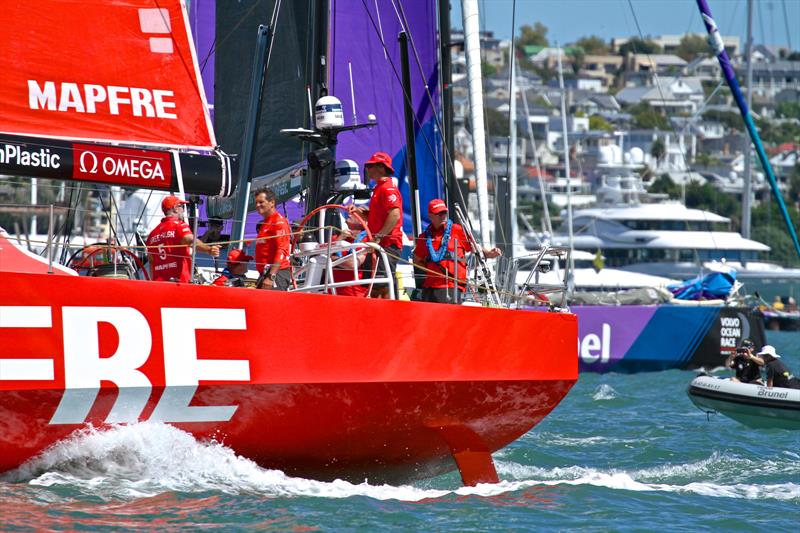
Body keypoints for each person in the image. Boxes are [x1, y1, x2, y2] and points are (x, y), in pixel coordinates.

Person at [412, 198, 502, 304]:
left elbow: (473, 246)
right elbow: (417, 260)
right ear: (430, 216)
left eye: (444, 212)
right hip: (430, 286)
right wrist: (431, 270)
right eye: (439, 213)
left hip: (450, 286)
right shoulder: (424, 237)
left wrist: (489, 253)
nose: (443, 215)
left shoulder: (457, 230)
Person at [352, 151, 403, 299]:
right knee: (375, 283)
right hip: (378, 244)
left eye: (370, 165)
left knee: (381, 284)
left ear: (381, 167)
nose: (367, 168)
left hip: (387, 244)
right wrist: (360, 213)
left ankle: (388, 315)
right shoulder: (379, 188)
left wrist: (379, 237)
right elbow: (379, 216)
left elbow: (395, 214)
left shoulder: (387, 188)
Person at [146, 195, 220, 282]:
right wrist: (208, 250)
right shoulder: (178, 226)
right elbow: (191, 241)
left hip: (159, 284)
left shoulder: (152, 234)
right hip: (179, 283)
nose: (184, 210)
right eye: (182, 206)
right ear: (175, 208)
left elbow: (151, 261)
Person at [254, 187, 292, 290]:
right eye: (256, 202)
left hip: (276, 274)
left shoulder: (279, 222)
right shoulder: (266, 223)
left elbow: (282, 249)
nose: (257, 205)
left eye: (261, 202)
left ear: (272, 203)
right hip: (266, 273)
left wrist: (272, 276)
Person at [329, 213, 370, 297]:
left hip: (354, 294)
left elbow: (352, 264)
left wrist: (331, 259)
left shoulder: (368, 240)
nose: (349, 214)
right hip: (332, 291)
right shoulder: (335, 238)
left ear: (364, 221)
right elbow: (320, 258)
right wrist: (340, 238)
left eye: (356, 214)